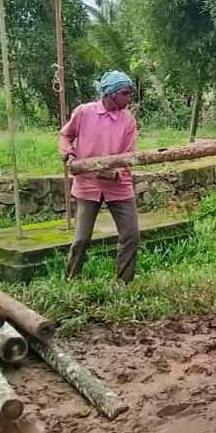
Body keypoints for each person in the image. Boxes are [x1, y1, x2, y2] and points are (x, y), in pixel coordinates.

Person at [59, 71, 140, 281]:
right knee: (81, 239)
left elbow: (129, 154)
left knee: (131, 235)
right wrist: (69, 154)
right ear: (111, 93)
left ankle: (124, 283)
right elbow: (65, 136)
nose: (128, 97)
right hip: (88, 184)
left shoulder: (128, 120)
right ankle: (71, 279)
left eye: (129, 93)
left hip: (118, 185)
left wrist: (116, 173)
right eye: (125, 93)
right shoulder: (84, 112)